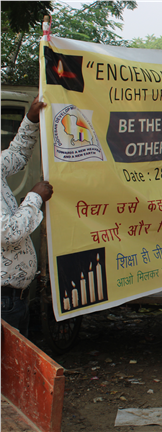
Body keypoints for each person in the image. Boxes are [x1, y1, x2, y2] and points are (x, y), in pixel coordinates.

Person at [1, 97, 53, 335]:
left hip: (14, 299)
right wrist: (34, 197)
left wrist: (31, 119)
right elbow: (9, 232)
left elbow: (17, 153)